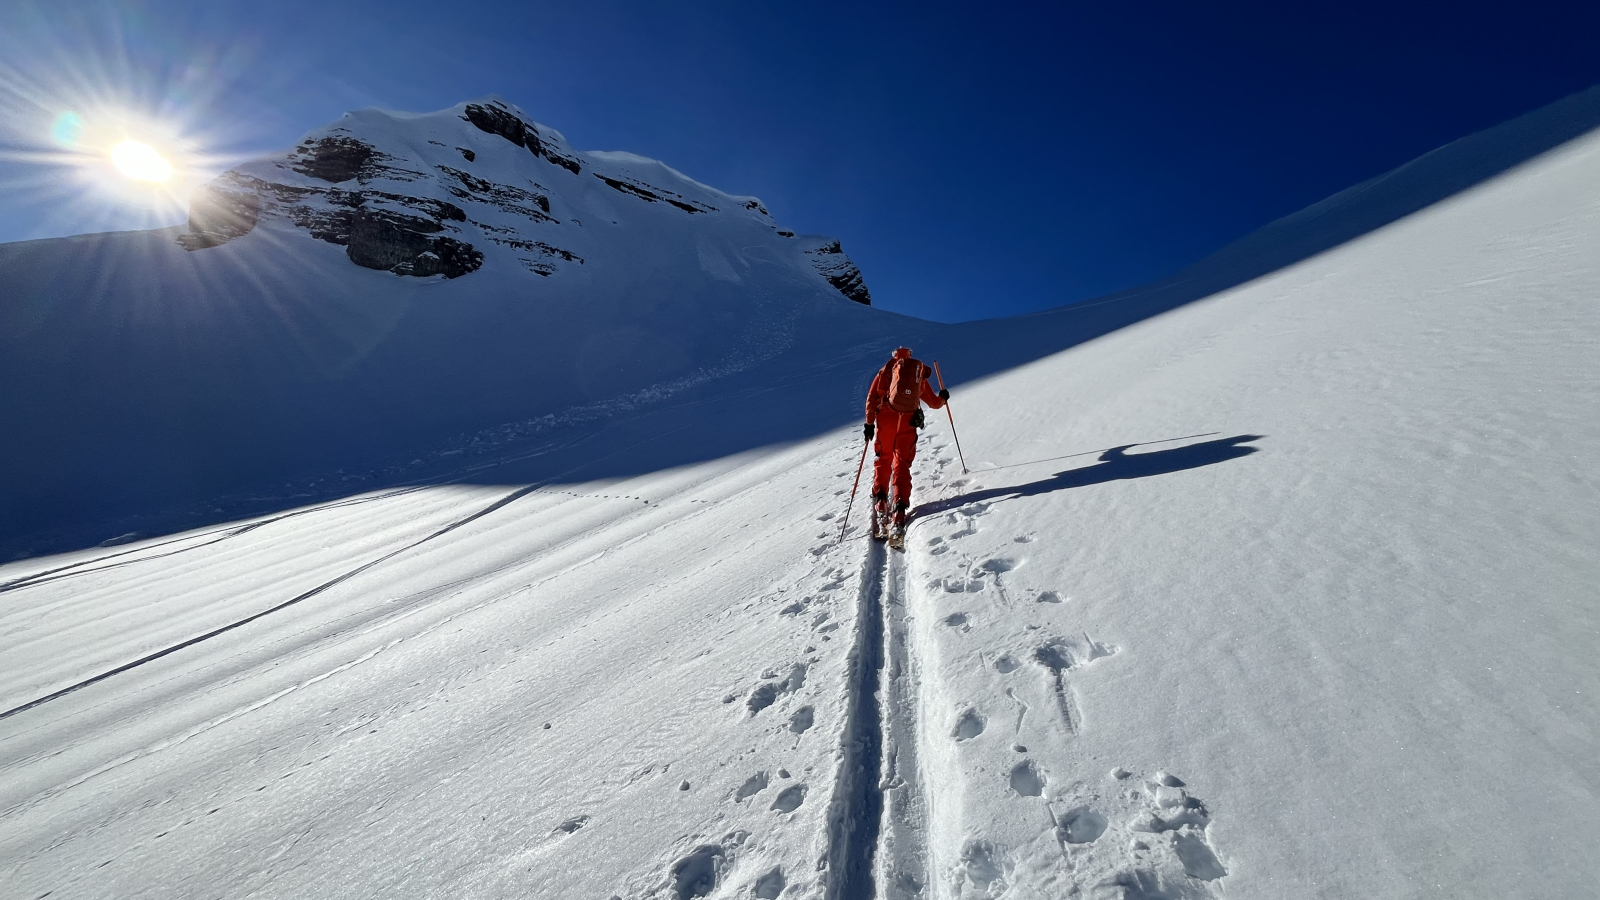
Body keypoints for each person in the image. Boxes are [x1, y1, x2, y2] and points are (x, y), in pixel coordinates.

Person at [863, 347, 949, 537]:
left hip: (886, 418)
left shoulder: (885, 373)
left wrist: (869, 423)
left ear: (895, 357)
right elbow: (934, 403)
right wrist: (943, 398)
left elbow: (871, 398)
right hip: (907, 423)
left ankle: (881, 501)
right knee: (902, 464)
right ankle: (900, 511)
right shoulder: (917, 375)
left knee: (883, 458)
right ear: (909, 358)